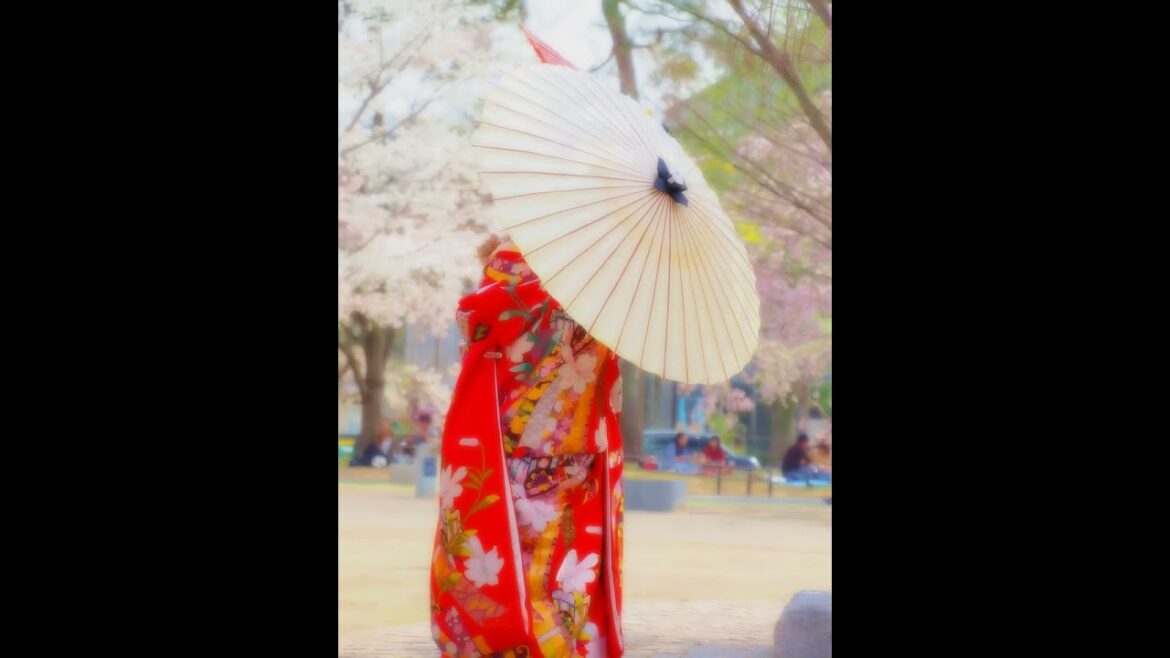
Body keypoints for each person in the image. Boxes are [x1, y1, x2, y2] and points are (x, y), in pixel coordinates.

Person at [430, 235, 625, 658]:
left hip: (515, 448)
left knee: (519, 558)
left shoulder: (517, 270)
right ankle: (571, 646)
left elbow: (474, 313)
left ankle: (521, 644)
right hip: (584, 446)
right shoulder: (608, 285)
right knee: (570, 565)